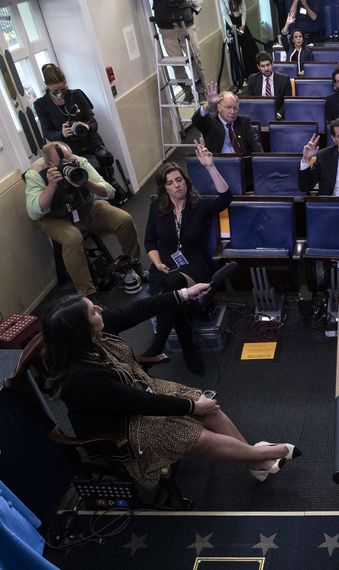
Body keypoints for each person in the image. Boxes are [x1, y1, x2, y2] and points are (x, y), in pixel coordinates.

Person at [41, 288, 302, 490]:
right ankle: (262, 454)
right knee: (199, 436)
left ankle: (255, 461)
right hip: (121, 426)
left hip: (141, 390)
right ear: (80, 329)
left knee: (210, 408)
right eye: (93, 311)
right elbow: (138, 403)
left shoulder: (92, 333)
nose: (100, 308)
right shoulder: (82, 376)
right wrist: (190, 407)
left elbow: (136, 310)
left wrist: (182, 294)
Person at [142, 139, 232, 374]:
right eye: (170, 183)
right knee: (174, 293)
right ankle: (187, 345)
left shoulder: (199, 205)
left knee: (173, 285)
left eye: (179, 180)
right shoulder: (156, 207)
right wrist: (158, 262)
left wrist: (210, 166)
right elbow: (150, 242)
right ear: (164, 188)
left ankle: (156, 347)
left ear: (185, 181)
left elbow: (226, 198)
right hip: (163, 265)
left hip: (192, 264)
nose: (176, 186)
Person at [24, 142, 141, 298]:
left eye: (70, 159)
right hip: (56, 219)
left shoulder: (78, 162)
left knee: (123, 219)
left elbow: (110, 192)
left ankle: (133, 265)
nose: (69, 164)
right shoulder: (35, 174)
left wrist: (85, 181)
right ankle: (87, 293)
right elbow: (33, 212)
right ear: (50, 164)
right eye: (64, 162)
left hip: (85, 208)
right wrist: (51, 186)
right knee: (72, 238)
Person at [34, 64, 114, 176]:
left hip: (92, 142)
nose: (60, 93)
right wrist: (61, 134)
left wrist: (87, 126)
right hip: (70, 150)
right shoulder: (41, 105)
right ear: (46, 84)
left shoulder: (76, 95)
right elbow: (47, 132)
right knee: (87, 176)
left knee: (106, 167)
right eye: (55, 91)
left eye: (63, 89)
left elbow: (94, 123)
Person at [152, 0, 205, 102]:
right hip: (165, 23)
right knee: (176, 63)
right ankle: (187, 92)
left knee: (195, 57)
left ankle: (201, 91)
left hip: (185, 20)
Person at [191, 82, 262, 156]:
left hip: (243, 163)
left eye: (235, 108)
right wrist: (209, 104)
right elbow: (196, 120)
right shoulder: (210, 122)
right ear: (219, 107)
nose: (232, 112)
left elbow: (256, 147)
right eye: (228, 107)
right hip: (219, 164)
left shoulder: (244, 122)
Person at [246, 51, 292, 120]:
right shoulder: (252, 79)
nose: (266, 69)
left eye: (268, 65)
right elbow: (250, 101)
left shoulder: (284, 79)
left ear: (272, 63)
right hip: (259, 116)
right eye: (263, 66)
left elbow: (287, 101)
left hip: (278, 116)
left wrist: (279, 114)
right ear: (258, 67)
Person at [222, 0, 258, 82]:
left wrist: (243, 25)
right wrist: (232, 27)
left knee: (250, 46)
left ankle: (252, 72)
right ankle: (240, 78)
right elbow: (224, 12)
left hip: (240, 21)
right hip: (230, 22)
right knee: (234, 50)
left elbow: (244, 9)